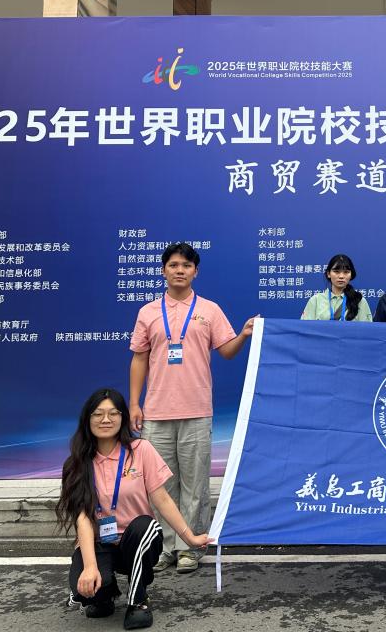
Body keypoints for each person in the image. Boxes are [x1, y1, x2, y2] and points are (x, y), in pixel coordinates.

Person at [128, 242, 255, 574]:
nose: (179, 270)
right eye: (173, 265)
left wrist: (243, 334)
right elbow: (139, 358)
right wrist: (134, 403)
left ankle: (191, 547)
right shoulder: (148, 312)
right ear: (163, 270)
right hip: (156, 412)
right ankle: (165, 546)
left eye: (186, 265)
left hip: (197, 410)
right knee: (159, 485)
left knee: (195, 484)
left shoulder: (209, 310)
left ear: (195, 271)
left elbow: (226, 350)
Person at [57, 388, 209, 629]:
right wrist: (90, 567)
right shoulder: (76, 462)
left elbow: (162, 499)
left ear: (123, 417)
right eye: (98, 414)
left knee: (145, 526)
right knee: (86, 590)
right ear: (87, 418)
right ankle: (105, 596)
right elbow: (83, 518)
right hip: (100, 542)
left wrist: (189, 537)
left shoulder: (141, 449)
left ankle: (138, 600)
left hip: (137, 541)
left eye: (113, 413)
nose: (106, 420)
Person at [301, 253, 372, 321]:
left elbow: (367, 328)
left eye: (346, 272)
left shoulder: (359, 301)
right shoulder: (315, 300)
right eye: (336, 271)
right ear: (328, 274)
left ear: (351, 275)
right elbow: (305, 327)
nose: (341, 276)